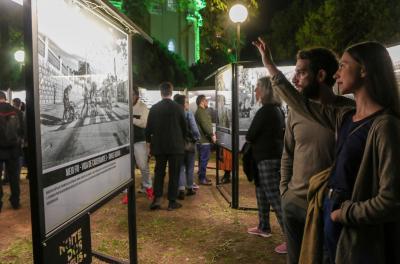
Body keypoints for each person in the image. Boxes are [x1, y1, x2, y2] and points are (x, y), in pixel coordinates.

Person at [254, 38, 400, 263]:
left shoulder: (384, 125)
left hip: (347, 223)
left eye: (343, 65)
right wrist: (286, 191)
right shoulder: (346, 117)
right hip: (322, 211)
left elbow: (390, 200)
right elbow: (298, 107)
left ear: (364, 70)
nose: (336, 74)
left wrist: (344, 213)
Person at [255, 43, 354, 263]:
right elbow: (288, 153)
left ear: (320, 75)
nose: (295, 79)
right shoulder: (295, 113)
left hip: (324, 206)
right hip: (294, 203)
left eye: (301, 72)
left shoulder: (345, 113)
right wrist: (285, 192)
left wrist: (270, 66)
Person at [245, 76, 287, 254]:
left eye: (257, 88)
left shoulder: (266, 111)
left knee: (275, 199)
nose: (255, 92)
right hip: (266, 158)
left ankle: (291, 239)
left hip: (267, 160)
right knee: (262, 194)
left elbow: (251, 134)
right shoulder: (276, 110)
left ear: (265, 90)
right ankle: (264, 227)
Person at [146, 82, 187, 211]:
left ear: (161, 92)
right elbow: (184, 128)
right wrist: (183, 140)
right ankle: (172, 202)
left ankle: (157, 200)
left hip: (159, 146)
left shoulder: (154, 108)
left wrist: (149, 144)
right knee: (174, 173)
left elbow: (148, 129)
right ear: (171, 91)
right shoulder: (179, 108)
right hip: (176, 146)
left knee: (159, 173)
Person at [122, 85, 153, 204]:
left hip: (139, 141)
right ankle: (127, 193)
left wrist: (131, 119)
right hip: (126, 141)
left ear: (136, 95)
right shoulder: (125, 106)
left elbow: (144, 123)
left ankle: (148, 187)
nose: (130, 97)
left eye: (132, 94)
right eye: (129, 94)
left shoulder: (143, 107)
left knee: (143, 166)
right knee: (127, 169)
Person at [0, 91, 23, 212]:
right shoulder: (17, 111)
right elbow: (22, 131)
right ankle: (15, 202)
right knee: (14, 177)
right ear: (5, 98)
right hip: (13, 150)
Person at [174, 95, 200, 200]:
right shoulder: (188, 113)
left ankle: (181, 189)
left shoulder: (174, 114)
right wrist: (197, 138)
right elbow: (194, 128)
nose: (188, 104)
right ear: (183, 103)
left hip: (178, 144)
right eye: (187, 102)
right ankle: (189, 188)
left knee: (180, 168)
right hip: (189, 144)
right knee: (190, 167)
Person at [195, 95, 216, 185]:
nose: (207, 102)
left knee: (202, 160)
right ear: (202, 101)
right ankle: (202, 178)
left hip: (202, 140)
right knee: (204, 160)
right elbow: (205, 125)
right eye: (206, 100)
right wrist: (212, 135)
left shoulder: (200, 111)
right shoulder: (201, 112)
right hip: (204, 140)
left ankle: (202, 176)